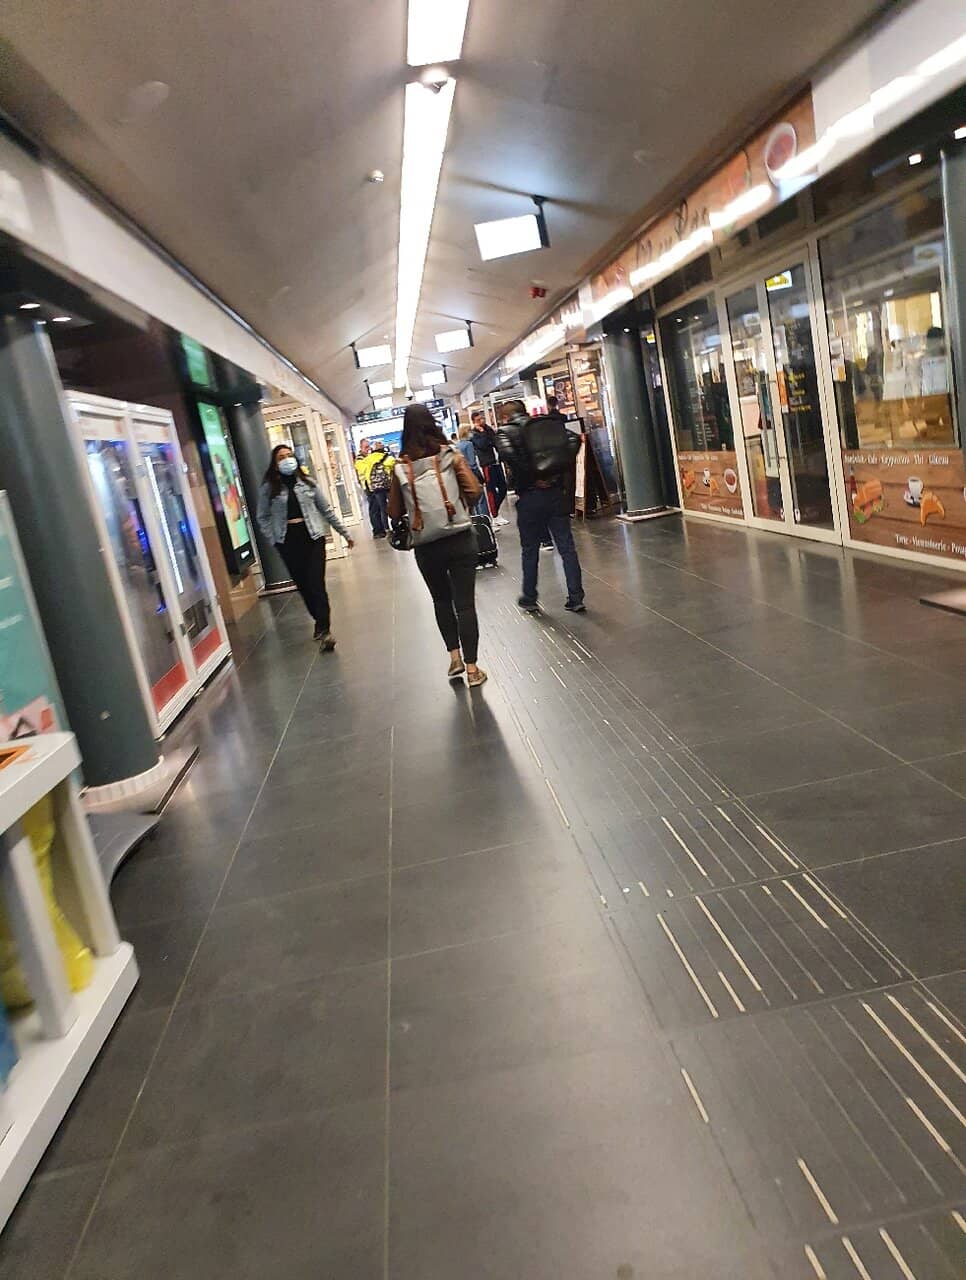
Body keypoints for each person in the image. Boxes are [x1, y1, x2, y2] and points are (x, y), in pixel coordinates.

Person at [388, 405, 487, 686]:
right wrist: (457, 506)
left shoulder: (401, 466)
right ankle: (472, 669)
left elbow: (394, 512)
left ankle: (454, 657)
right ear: (432, 423)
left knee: (441, 600)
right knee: (465, 605)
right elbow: (474, 490)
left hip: (426, 544)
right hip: (459, 538)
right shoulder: (449, 455)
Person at [257, 444, 354, 648]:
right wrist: (273, 538)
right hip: (288, 541)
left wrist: (345, 533)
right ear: (275, 465)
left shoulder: (308, 483)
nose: (286, 460)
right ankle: (319, 620)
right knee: (303, 585)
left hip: (313, 537)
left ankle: (325, 629)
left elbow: (326, 510)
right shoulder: (269, 489)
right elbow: (262, 517)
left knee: (317, 583)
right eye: (281, 457)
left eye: (289, 455)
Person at [496, 398, 585, 614]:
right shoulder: (547, 425)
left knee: (530, 549)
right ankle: (576, 597)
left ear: (505, 417)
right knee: (566, 547)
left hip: (530, 496)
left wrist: (533, 476)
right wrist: (557, 469)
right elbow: (574, 439)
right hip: (555, 493)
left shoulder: (505, 432)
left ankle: (529, 597)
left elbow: (509, 456)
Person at [472, 411, 509, 525]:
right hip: (486, 464)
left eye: (482, 419)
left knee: (503, 487)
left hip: (496, 462)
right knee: (491, 490)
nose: (482, 421)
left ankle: (496, 510)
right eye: (479, 420)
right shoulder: (474, 434)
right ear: (474, 422)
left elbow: (495, 442)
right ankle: (495, 515)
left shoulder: (489, 430)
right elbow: (482, 445)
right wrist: (482, 433)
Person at [363, 439, 395, 539]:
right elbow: (393, 466)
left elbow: (366, 473)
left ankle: (386, 529)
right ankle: (396, 524)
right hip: (388, 486)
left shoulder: (368, 459)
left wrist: (370, 486)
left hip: (376, 488)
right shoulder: (388, 457)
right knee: (393, 506)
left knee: (382, 509)